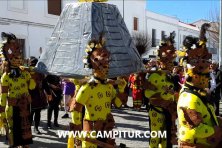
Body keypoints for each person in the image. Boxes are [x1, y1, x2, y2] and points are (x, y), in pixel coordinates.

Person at [69, 35, 127, 147]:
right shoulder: (87, 87)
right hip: (91, 132)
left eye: (107, 62)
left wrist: (121, 88)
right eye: (100, 62)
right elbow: (76, 109)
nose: (105, 66)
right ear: (93, 64)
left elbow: (119, 104)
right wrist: (77, 131)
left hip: (107, 130)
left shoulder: (108, 86)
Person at [177, 23, 222, 147]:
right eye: (203, 76)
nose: (206, 79)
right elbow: (195, 129)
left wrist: (217, 121)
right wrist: (216, 130)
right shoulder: (190, 98)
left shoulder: (200, 92)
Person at [0, 32, 36, 147]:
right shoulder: (6, 76)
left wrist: (30, 75)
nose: (19, 59)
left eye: (19, 57)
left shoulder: (24, 73)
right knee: (14, 138)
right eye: (16, 58)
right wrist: (1, 112)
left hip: (25, 107)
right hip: (12, 108)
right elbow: (3, 95)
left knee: (25, 139)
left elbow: (32, 87)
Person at [144, 31, 178, 147]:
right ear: (160, 62)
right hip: (156, 111)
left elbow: (173, 94)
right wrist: (158, 92)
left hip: (168, 111)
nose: (170, 64)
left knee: (166, 138)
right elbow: (148, 94)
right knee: (156, 136)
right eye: (167, 61)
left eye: (171, 62)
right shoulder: (154, 75)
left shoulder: (171, 77)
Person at [28, 56, 47, 134]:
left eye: (35, 64)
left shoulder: (40, 74)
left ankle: (36, 128)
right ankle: (28, 129)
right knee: (30, 113)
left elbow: (44, 83)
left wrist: (48, 93)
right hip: (29, 95)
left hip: (39, 95)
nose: (33, 66)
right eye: (32, 64)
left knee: (37, 112)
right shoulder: (26, 73)